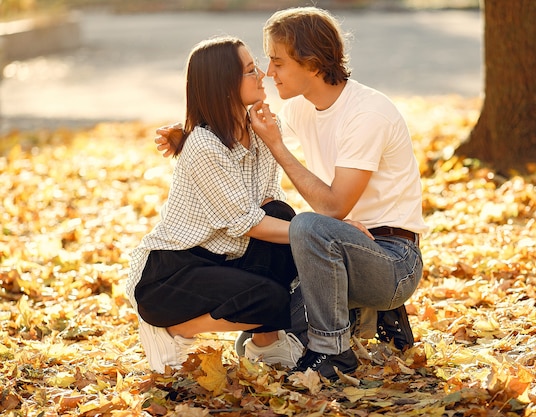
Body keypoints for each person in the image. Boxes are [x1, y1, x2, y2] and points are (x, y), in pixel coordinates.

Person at [157, 6, 427, 381]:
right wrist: (188, 132)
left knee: (307, 227)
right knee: (263, 336)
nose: (268, 72)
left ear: (312, 63)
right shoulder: (301, 108)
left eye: (277, 62)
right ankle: (364, 313)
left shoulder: (368, 114)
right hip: (338, 248)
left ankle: (335, 353)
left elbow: (333, 206)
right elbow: (231, 123)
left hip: (392, 257)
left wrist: (279, 147)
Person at [126, 36, 305, 374]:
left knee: (281, 214)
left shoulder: (265, 128)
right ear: (224, 83)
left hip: (225, 258)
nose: (263, 74)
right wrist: (321, 232)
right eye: (251, 70)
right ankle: (173, 329)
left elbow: (268, 202)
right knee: (272, 299)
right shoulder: (204, 146)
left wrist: (307, 228)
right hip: (171, 274)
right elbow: (247, 222)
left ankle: (265, 346)